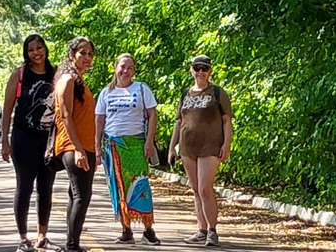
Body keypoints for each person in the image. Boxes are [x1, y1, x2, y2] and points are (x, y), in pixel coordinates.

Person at [95, 53, 161, 246]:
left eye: (130, 68)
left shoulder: (141, 89)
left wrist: (149, 141)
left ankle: (148, 229)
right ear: (115, 67)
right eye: (122, 66)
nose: (125, 71)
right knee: (118, 188)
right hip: (113, 146)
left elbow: (152, 115)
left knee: (140, 184)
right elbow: (99, 120)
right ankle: (126, 229)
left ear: (134, 70)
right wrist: (97, 147)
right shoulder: (106, 93)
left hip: (136, 144)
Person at [167, 55, 233, 247]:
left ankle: (212, 230)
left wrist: (226, 145)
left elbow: (227, 120)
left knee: (205, 188)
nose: (200, 72)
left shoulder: (217, 93)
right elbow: (179, 122)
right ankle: (201, 229)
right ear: (191, 70)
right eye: (197, 68)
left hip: (210, 147)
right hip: (188, 147)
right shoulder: (185, 93)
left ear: (210, 71)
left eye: (204, 68)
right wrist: (172, 147)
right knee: (196, 190)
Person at [1, 34, 58, 252]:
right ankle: (23, 238)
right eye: (31, 50)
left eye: (39, 48)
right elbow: (7, 109)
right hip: (23, 138)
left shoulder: (56, 75)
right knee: (24, 187)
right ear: (26, 53)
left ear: (45, 49)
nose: (36, 53)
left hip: (49, 140)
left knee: (46, 188)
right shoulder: (20, 75)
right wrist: (4, 140)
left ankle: (42, 236)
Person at [54, 37, 97, 252]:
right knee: (82, 196)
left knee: (77, 196)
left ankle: (72, 244)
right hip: (73, 147)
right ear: (72, 55)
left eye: (90, 53)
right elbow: (65, 115)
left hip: (85, 146)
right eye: (82, 53)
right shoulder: (68, 80)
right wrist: (78, 149)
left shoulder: (78, 80)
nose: (87, 57)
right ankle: (72, 246)